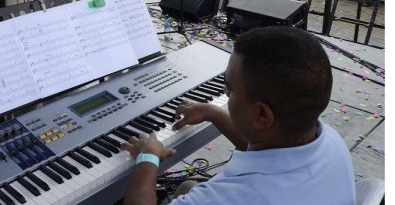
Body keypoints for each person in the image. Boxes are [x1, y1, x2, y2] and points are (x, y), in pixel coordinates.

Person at [121, 26, 355, 205]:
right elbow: (269, 147)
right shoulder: (327, 138)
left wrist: (148, 158)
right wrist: (214, 113)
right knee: (189, 186)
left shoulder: (231, 197)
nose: (225, 92)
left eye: (230, 88)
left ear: (262, 114)